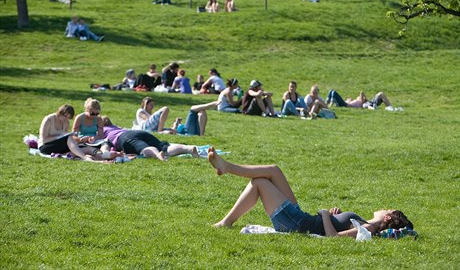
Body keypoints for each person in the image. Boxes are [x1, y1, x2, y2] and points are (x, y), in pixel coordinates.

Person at [207, 147, 414, 236]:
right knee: (272, 170)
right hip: (303, 221)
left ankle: (226, 218)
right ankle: (226, 168)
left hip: (299, 224)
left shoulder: (371, 228)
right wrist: (337, 216)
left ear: (387, 216)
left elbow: (333, 238)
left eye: (387, 208)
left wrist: (325, 215)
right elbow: (337, 229)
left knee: (260, 182)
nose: (382, 208)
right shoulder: (367, 224)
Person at [102, 117, 199, 161]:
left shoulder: (103, 130)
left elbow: (107, 146)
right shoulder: (116, 127)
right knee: (164, 147)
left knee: (143, 148)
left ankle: (158, 156)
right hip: (138, 132)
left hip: (124, 138)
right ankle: (188, 148)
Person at [326, 90, 396, 110]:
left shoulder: (361, 102)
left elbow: (362, 93)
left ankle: (390, 107)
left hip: (370, 102)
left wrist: (363, 98)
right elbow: (361, 92)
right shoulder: (361, 102)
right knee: (332, 91)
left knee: (381, 93)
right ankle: (327, 104)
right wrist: (348, 100)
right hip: (368, 103)